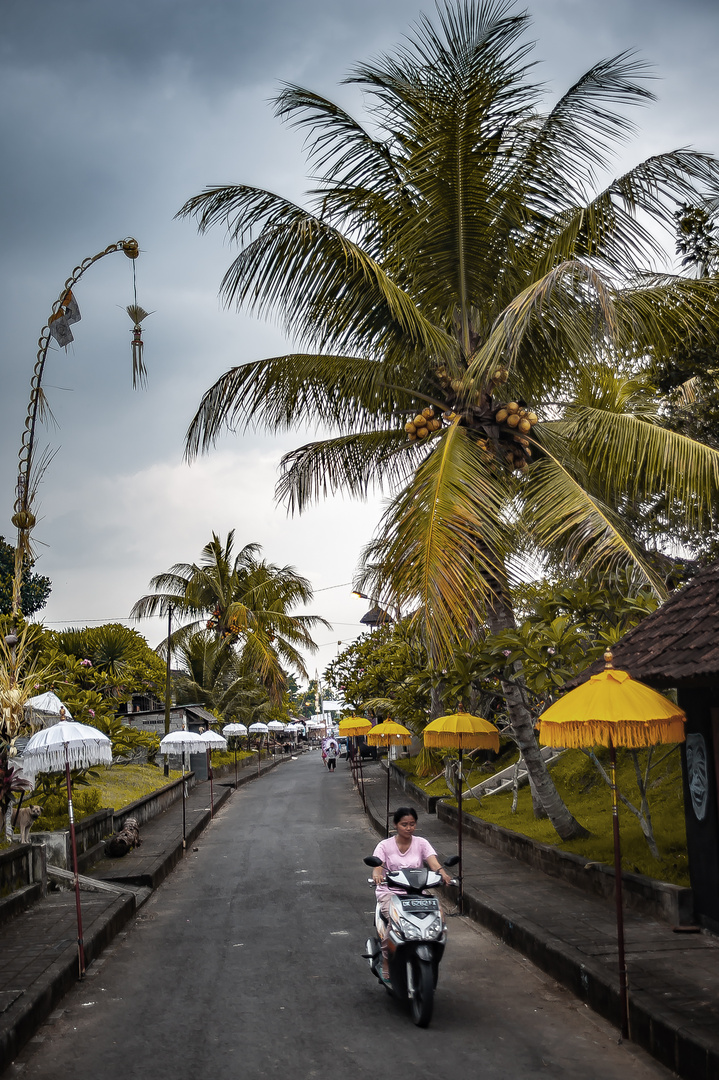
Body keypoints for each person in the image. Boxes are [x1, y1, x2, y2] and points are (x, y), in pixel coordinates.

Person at [371, 806, 453, 978]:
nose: (409, 828)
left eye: (412, 824)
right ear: (396, 825)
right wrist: (378, 874)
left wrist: (443, 874)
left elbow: (434, 863)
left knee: (435, 917)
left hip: (417, 893)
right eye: (404, 824)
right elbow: (377, 867)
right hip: (390, 893)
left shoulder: (421, 843)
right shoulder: (384, 846)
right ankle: (386, 960)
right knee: (396, 923)